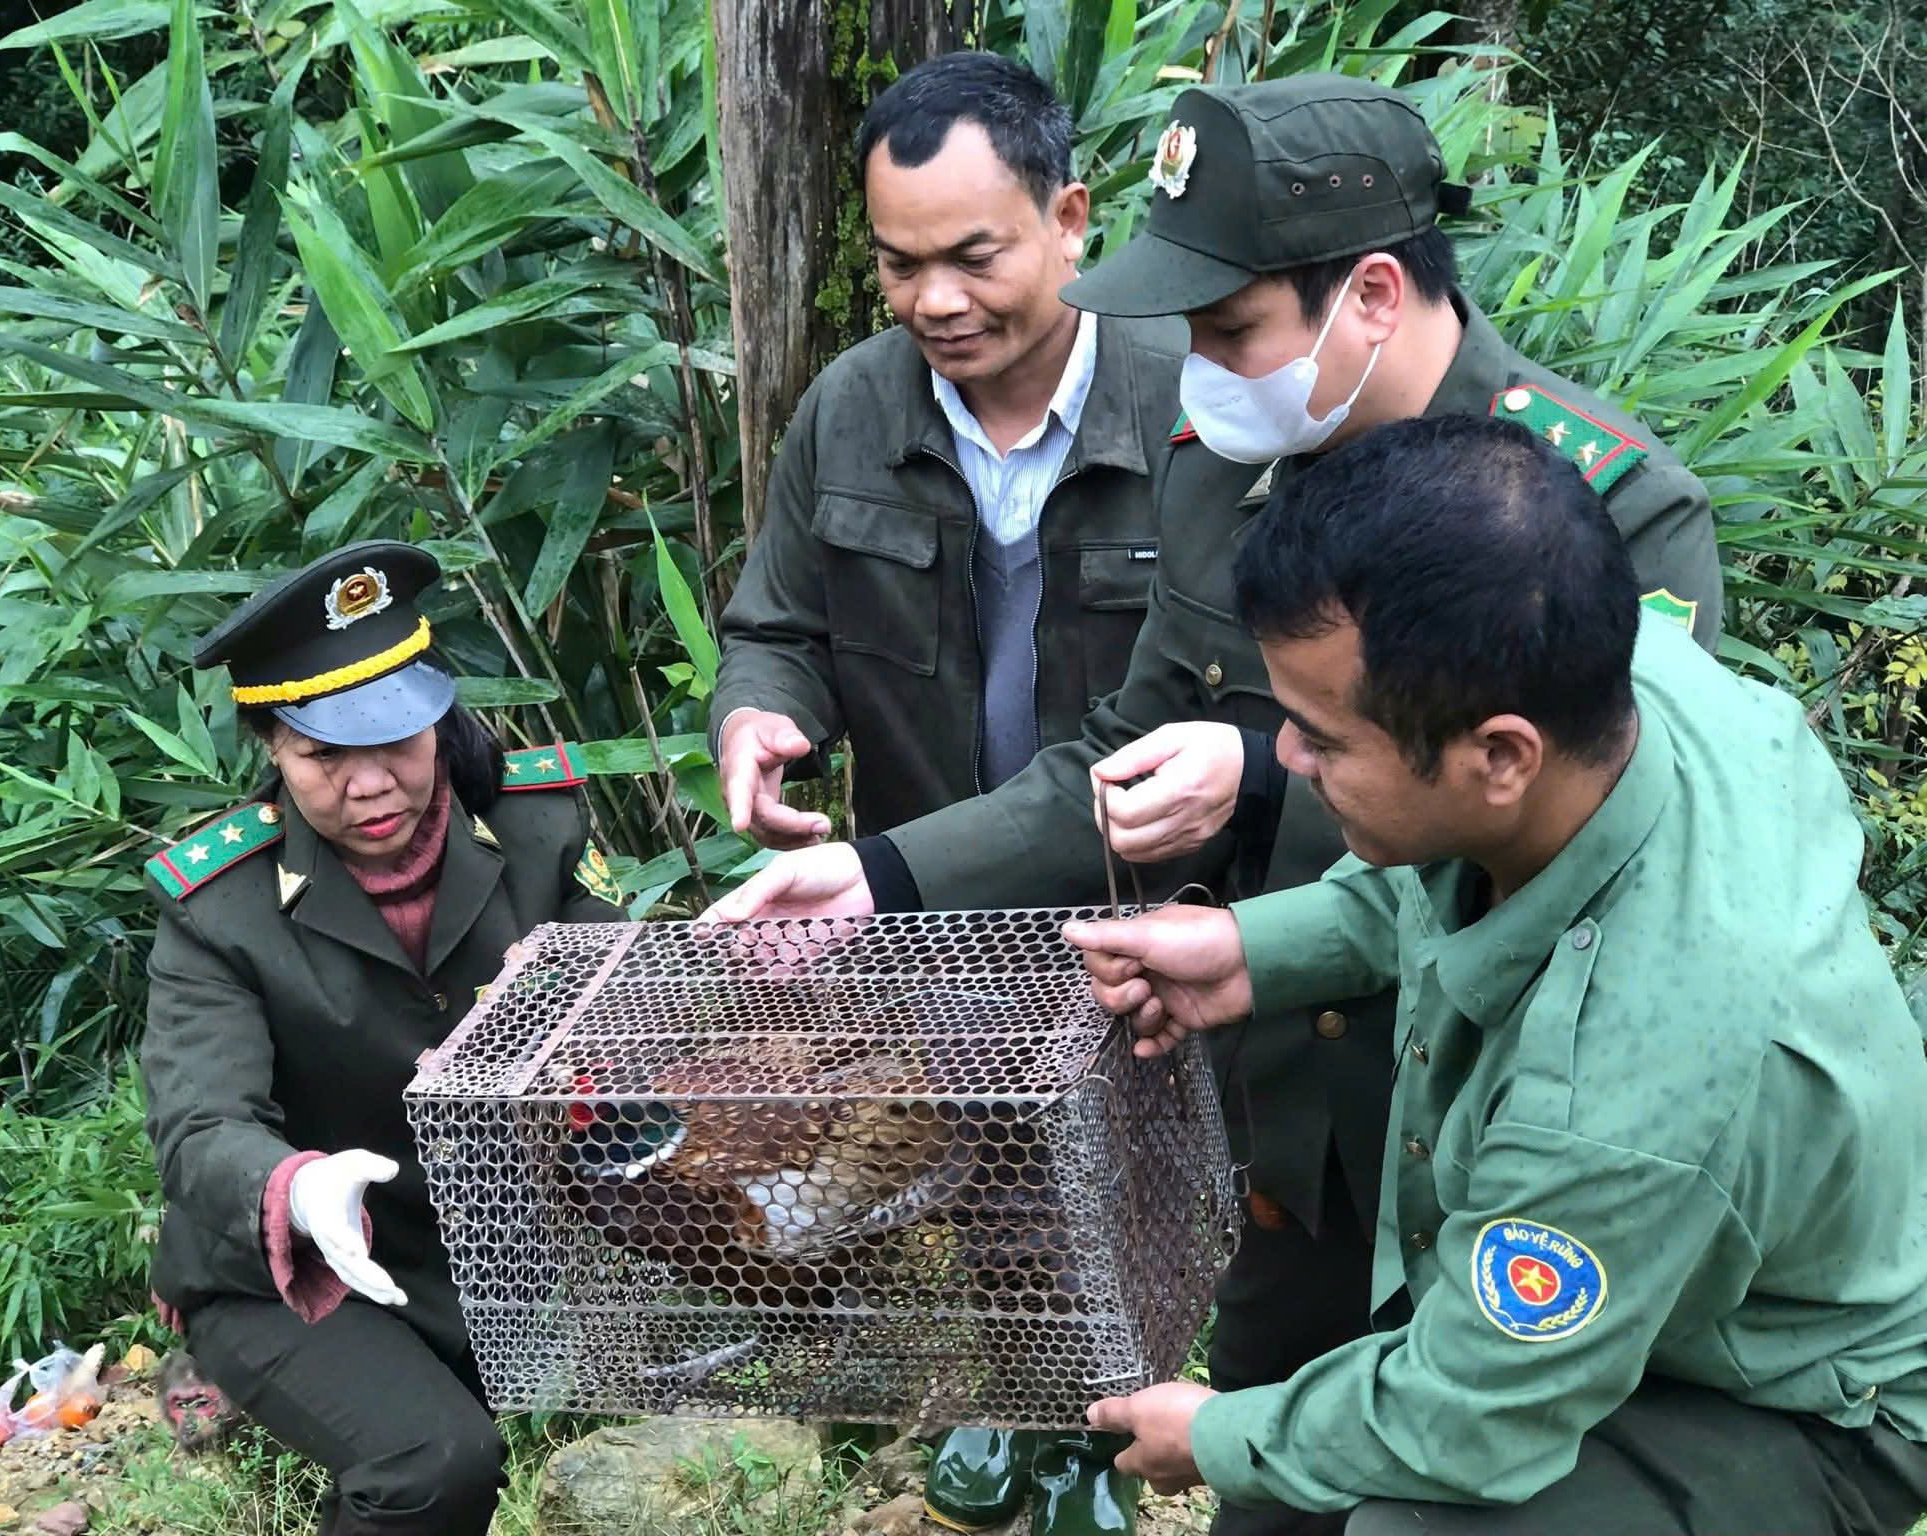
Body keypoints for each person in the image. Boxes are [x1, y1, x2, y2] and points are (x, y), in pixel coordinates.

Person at [701, 76, 1726, 1536]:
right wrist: (879, 874)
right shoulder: (1224, 469)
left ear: (1371, 293)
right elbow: (1126, 741)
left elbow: (1618, 876)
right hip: (1293, 1116)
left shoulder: (1606, 510)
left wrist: (1251, 771)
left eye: (1228, 327)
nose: (1191, 364)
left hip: (1513, 1130)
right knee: (1271, 1490)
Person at [1060, 414, 1927, 1534]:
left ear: (1499, 754)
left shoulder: (1617, 1095)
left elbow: (1465, 1417)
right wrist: (1251, 950)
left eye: (1321, 739)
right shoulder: (1628, 681)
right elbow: (1446, 862)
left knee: (1404, 1524)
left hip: (1799, 1392)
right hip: (1683, 1261)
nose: (1282, 759)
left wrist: (1217, 1432)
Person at [708, 49, 1186, 1536]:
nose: (937, 303)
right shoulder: (854, 410)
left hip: (1148, 890)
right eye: (900, 266)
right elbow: (774, 623)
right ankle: (1041, 1411)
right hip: (935, 905)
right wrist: (761, 722)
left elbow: (1164, 718)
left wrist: (895, 869)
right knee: (997, 1174)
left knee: (1154, 1190)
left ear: (1070, 220)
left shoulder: (1191, 402)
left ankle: (1131, 1428)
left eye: (974, 256)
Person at [139, 541, 622, 1536]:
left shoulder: (536, 829)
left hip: (480, 1256)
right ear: (271, 748)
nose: (371, 786)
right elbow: (198, 1127)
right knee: (434, 1464)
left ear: (440, 722)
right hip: (286, 1272)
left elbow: (616, 994)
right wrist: (296, 1189)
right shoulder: (221, 907)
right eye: (323, 756)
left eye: (398, 741)